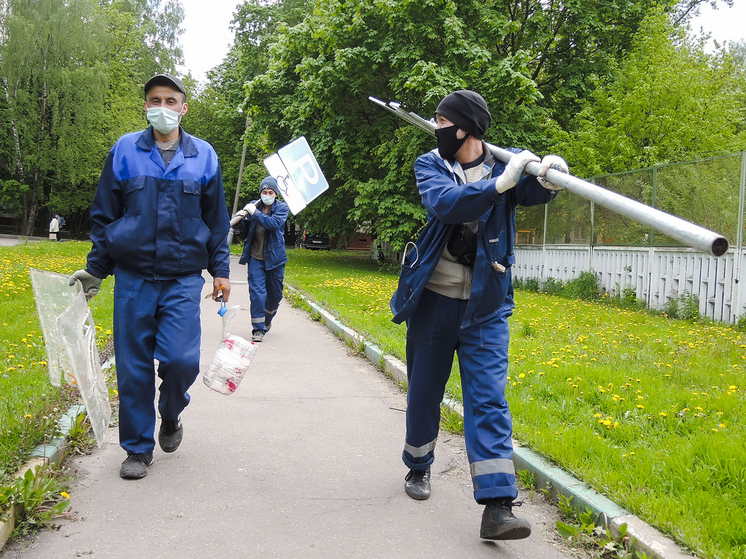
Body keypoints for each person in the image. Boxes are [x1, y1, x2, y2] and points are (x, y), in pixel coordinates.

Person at [389, 90, 568, 540]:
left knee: (488, 399)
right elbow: (446, 205)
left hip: (487, 307)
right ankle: (418, 465)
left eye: (442, 120)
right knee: (425, 391)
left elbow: (533, 192)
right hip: (434, 300)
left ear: (465, 127)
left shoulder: (506, 166)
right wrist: (498, 186)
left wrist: (549, 176)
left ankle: (498, 506)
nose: (437, 128)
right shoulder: (431, 164)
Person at [69, 73, 232, 480]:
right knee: (133, 365)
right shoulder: (125, 150)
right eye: (155, 100)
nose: (163, 106)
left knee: (181, 360)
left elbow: (216, 220)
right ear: (146, 106)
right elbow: (105, 215)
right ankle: (138, 449)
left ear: (183, 107)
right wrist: (95, 270)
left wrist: (221, 271)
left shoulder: (205, 156)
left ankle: (171, 413)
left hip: (181, 278)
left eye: (171, 100)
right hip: (133, 277)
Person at [233, 176, 289, 342]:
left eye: (270, 192)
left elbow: (272, 224)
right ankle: (258, 329)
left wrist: (254, 213)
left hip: (275, 259)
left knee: (275, 295)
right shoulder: (254, 206)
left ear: (276, 194)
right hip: (255, 258)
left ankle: (267, 320)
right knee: (257, 293)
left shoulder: (282, 208)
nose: (267, 195)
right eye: (264, 192)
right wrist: (239, 220)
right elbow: (245, 228)